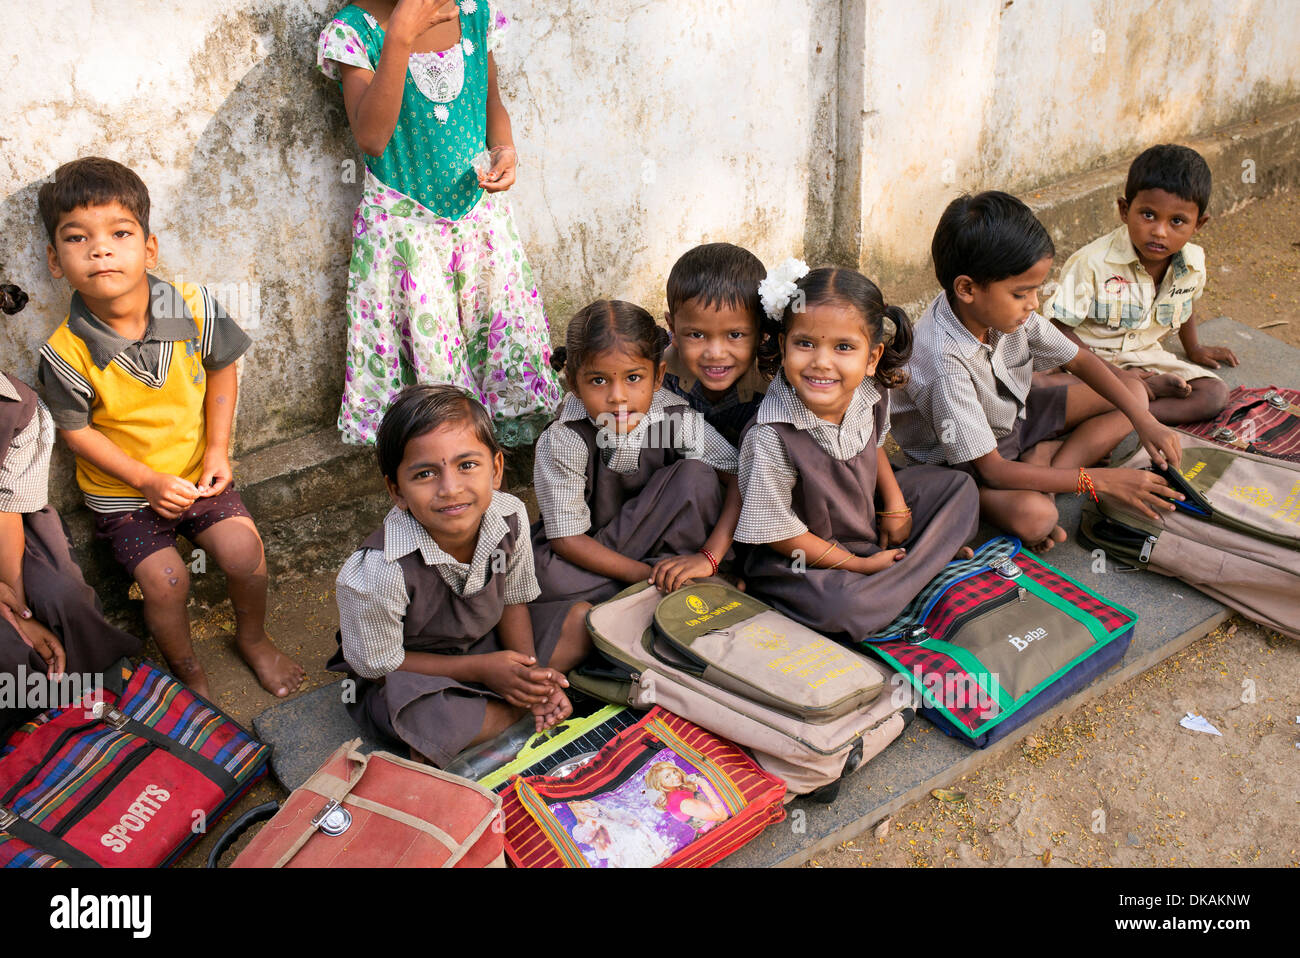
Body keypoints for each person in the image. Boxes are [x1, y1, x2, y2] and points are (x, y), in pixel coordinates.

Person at [35, 157, 304, 699]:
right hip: (124, 495)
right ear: (55, 261)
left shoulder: (181, 304)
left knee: (243, 554)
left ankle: (253, 639)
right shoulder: (67, 351)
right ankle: (190, 672)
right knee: (166, 582)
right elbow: (77, 432)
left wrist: (219, 450)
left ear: (149, 248)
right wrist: (146, 481)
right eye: (77, 237)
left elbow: (221, 364)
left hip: (197, 475)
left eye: (119, 233)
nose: (100, 249)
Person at [317, 0, 562, 448]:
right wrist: (400, 37)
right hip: (406, 236)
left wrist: (504, 148)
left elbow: (491, 99)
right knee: (436, 386)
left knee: (495, 346)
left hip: (480, 226)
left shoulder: (474, 12)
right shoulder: (354, 31)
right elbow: (372, 137)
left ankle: (491, 471)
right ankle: (441, 462)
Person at [891, 191, 1186, 552]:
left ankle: (1047, 469)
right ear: (966, 288)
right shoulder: (944, 363)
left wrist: (1145, 422)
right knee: (1037, 518)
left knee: (1134, 395)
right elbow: (993, 470)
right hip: (969, 468)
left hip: (1014, 418)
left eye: (1036, 290)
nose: (1034, 303)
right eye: (1021, 293)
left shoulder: (1002, 311)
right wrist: (1101, 481)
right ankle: (1045, 473)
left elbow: (1079, 360)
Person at [331, 385, 585, 767]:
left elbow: (513, 601)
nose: (450, 489)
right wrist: (485, 670)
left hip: (487, 644)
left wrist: (527, 675)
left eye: (467, 465)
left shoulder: (509, 517)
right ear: (396, 490)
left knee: (582, 622)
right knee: (433, 719)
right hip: (417, 674)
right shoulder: (377, 573)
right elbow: (382, 667)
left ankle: (505, 711)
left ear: (495, 470)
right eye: (425, 474)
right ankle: (499, 715)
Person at [734, 263, 980, 640]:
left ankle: (899, 573)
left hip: (865, 523)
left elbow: (876, 445)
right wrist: (858, 566)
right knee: (847, 609)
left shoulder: (871, 393)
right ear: (783, 347)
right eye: (805, 344)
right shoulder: (770, 435)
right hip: (803, 559)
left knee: (960, 489)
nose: (821, 361)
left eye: (844, 347)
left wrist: (895, 505)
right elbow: (780, 535)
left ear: (872, 358)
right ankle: (915, 568)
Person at [529, 300, 739, 654]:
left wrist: (709, 557)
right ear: (573, 384)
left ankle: (662, 592)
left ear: (657, 377)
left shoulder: (673, 417)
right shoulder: (566, 436)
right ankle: (671, 591)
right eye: (598, 380)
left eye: (633, 378)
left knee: (697, 477)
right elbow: (567, 541)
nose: (617, 397)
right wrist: (647, 577)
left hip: (669, 553)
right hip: (596, 558)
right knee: (539, 577)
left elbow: (737, 478)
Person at [1042, 144, 1232, 424]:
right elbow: (1057, 329)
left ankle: (1111, 412)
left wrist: (1194, 349)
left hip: (1144, 357)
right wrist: (1116, 377)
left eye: (1177, 221)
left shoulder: (1192, 264)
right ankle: (1123, 403)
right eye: (1148, 215)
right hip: (1087, 361)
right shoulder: (1092, 262)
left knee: (1213, 394)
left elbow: (1186, 301)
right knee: (1042, 387)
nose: (1159, 231)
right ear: (1124, 209)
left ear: (1198, 225)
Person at [1, 370, 140, 736]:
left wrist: (20, 607)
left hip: (7, 536)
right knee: (8, 653)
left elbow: (6, 509)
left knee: (66, 600)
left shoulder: (15, 404)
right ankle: (25, 739)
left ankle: (98, 712)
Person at [662, 242, 770, 447]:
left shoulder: (773, 384)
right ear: (673, 329)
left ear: (762, 333)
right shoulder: (657, 380)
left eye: (735, 335)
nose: (715, 353)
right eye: (697, 334)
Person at [644, 761, 729, 834]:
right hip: (718, 830)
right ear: (660, 784)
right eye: (667, 777)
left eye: (674, 771)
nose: (675, 776)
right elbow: (721, 816)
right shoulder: (681, 801)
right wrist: (704, 784)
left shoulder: (676, 792)